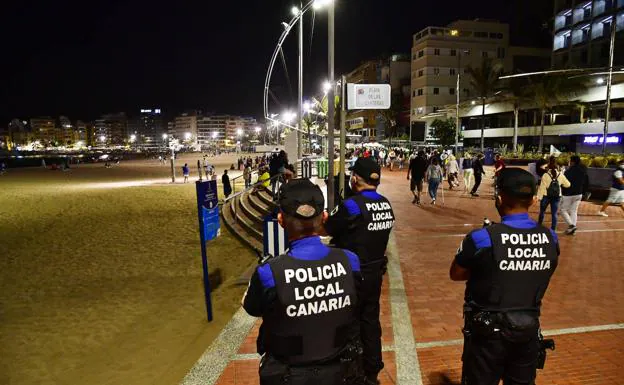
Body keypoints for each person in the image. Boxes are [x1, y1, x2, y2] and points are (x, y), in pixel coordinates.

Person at [242, 179, 363, 385]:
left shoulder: (269, 272)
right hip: (340, 372)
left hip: (287, 375)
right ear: (324, 217)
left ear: (280, 220)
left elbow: (252, 307)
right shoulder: (350, 261)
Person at [449, 168, 559, 385]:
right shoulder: (551, 237)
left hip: (488, 333)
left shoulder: (482, 237)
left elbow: (456, 273)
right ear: (534, 200)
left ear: (499, 198)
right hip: (527, 328)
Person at [325, 157, 394, 385]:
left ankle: (352, 372)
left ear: (355, 178)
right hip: (375, 274)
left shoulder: (352, 205)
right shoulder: (386, 204)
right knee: (371, 321)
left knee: (350, 323)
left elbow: (330, 226)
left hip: (352, 276)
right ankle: (373, 368)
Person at [537, 156, 570, 231]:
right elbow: (568, 184)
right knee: (554, 214)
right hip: (557, 196)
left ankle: (539, 226)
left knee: (542, 212)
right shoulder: (560, 175)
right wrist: (560, 184)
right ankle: (553, 228)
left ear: (548, 166)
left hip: (546, 196)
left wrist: (539, 197)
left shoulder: (545, 175)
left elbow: (542, 187)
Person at [560, 155, 589, 234]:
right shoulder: (583, 170)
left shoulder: (569, 171)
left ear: (572, 162)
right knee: (574, 211)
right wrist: (585, 192)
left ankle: (571, 225)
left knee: (563, 210)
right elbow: (586, 182)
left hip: (568, 194)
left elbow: (564, 182)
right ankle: (572, 229)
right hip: (579, 193)